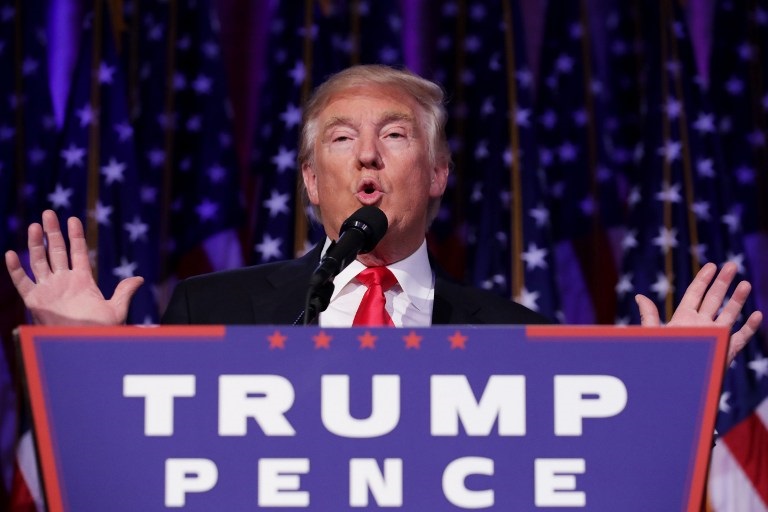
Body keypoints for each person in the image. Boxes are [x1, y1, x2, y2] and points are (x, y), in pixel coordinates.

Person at [3, 65, 763, 364]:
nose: (367, 157)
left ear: (436, 174)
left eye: (394, 136)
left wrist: (676, 387)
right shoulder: (213, 307)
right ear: (309, 179)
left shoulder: (517, 334)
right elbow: (153, 472)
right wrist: (83, 364)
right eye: (341, 139)